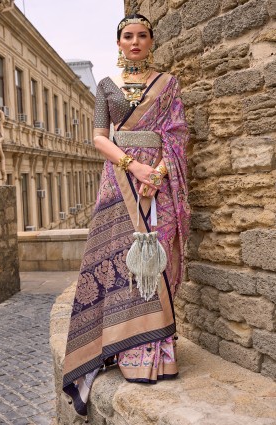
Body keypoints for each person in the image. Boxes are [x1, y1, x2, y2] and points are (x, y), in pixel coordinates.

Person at [63, 13, 190, 419]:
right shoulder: (106, 87)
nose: (135, 42)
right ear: (119, 43)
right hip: (119, 180)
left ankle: (159, 352)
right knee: (120, 260)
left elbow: (178, 133)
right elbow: (100, 136)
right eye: (127, 36)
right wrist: (135, 167)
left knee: (158, 259)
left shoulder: (168, 84)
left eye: (142, 36)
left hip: (162, 181)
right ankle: (127, 350)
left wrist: (159, 174)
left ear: (152, 40)